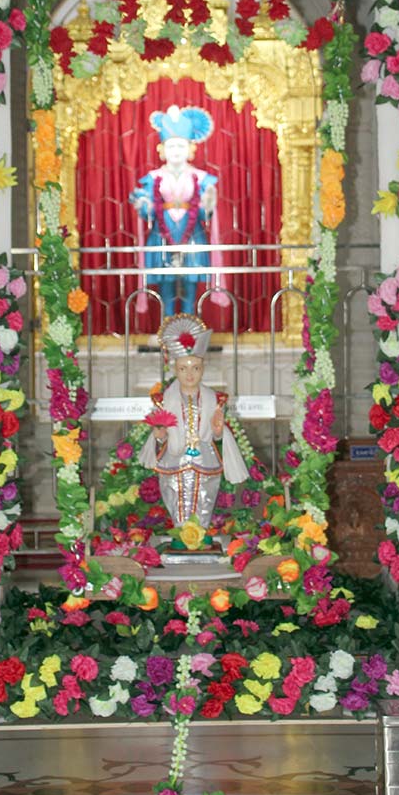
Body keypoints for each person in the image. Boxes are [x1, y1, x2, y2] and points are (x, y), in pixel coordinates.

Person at [138, 315, 248, 533]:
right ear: (175, 370)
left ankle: (200, 535)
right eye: (183, 368)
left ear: (202, 369)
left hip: (205, 460)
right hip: (174, 460)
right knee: (176, 498)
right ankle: (182, 536)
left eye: (195, 368)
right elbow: (161, 437)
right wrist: (159, 435)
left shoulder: (215, 399)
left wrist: (218, 432)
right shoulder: (163, 401)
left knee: (204, 500)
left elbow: (216, 436)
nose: (189, 374)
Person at [129, 104, 219, 316]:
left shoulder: (202, 178)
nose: (176, 151)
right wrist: (144, 206)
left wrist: (208, 204)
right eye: (171, 146)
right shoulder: (153, 178)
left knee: (190, 290)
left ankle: (190, 329)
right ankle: (167, 330)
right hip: (162, 237)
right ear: (161, 149)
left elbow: (205, 213)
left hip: (192, 237)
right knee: (166, 291)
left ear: (190, 148)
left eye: (180, 146)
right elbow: (148, 211)